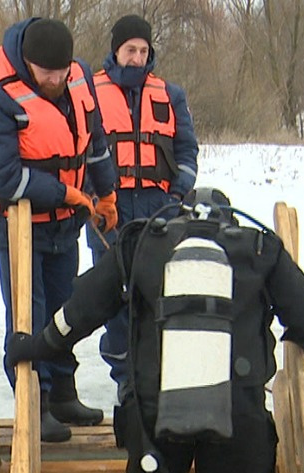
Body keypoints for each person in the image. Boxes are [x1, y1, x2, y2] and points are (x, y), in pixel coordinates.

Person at [6, 188, 304, 473]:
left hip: (153, 428)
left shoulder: (140, 245)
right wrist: (302, 340)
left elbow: (80, 311)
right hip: (239, 429)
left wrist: (35, 346)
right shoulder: (260, 250)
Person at [0, 18, 120, 443]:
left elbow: (95, 141)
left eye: (62, 70)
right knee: (28, 315)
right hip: (17, 224)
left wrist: (106, 194)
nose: (57, 79)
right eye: (47, 73)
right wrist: (67, 193)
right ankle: (38, 403)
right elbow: (3, 177)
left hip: (64, 224)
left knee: (66, 307)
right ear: (27, 63)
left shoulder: (78, 77)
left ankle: (64, 393)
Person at [86, 14, 200, 395]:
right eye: (129, 49)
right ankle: (126, 385)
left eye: (142, 50)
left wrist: (177, 195)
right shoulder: (90, 91)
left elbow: (187, 151)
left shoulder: (170, 94)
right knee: (113, 298)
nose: (136, 57)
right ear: (115, 50)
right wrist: (94, 197)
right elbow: (79, 149)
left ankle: (159, 385)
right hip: (109, 208)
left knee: (160, 296)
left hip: (159, 207)